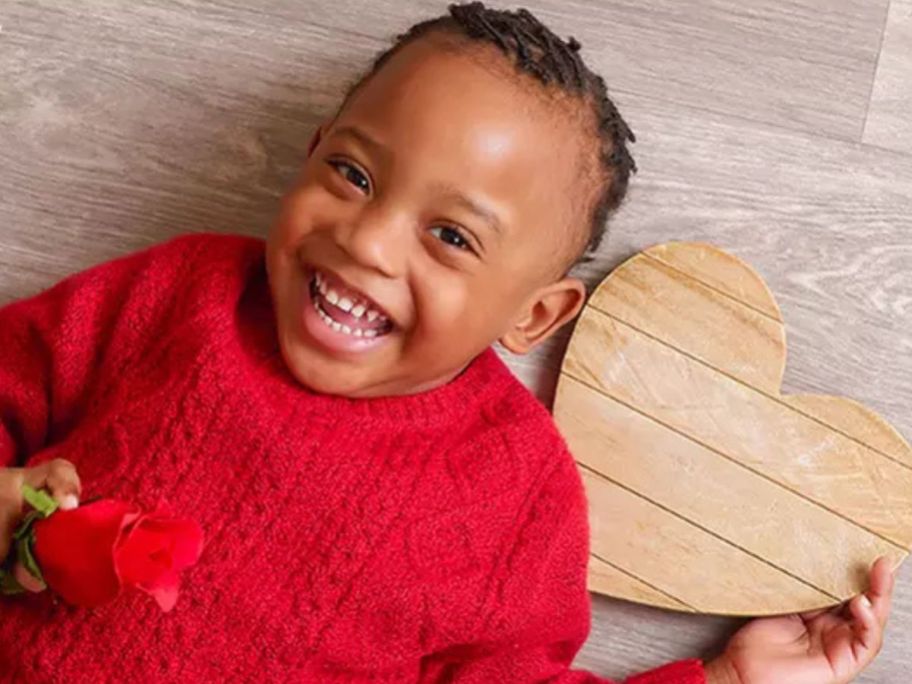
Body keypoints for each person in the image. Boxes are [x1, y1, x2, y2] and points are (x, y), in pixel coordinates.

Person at [0, 3, 895, 682]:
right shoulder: (180, 295)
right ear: (310, 153)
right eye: (351, 175)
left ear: (534, 316)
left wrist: (730, 678)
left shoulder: (519, 501)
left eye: (453, 237)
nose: (366, 240)